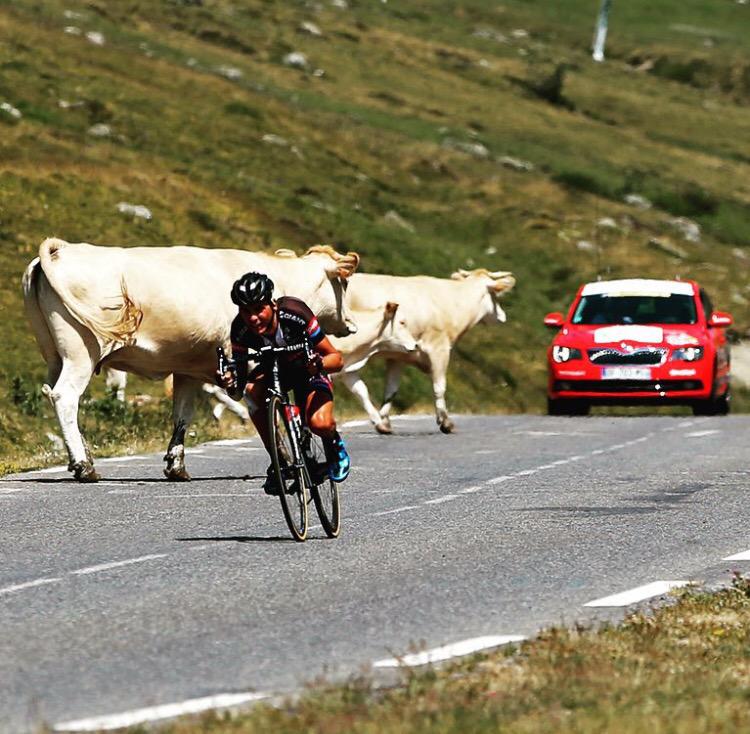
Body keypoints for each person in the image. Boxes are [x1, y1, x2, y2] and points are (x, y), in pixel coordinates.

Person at [216, 271, 350, 494]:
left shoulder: (295, 313)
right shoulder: (239, 329)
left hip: (309, 370)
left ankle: (333, 444)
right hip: (275, 372)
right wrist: (229, 383)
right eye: (246, 311)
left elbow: (336, 359)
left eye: (259, 309)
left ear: (273, 304)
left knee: (320, 424)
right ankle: (278, 460)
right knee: (251, 392)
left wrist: (318, 365)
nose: (253, 318)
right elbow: (238, 388)